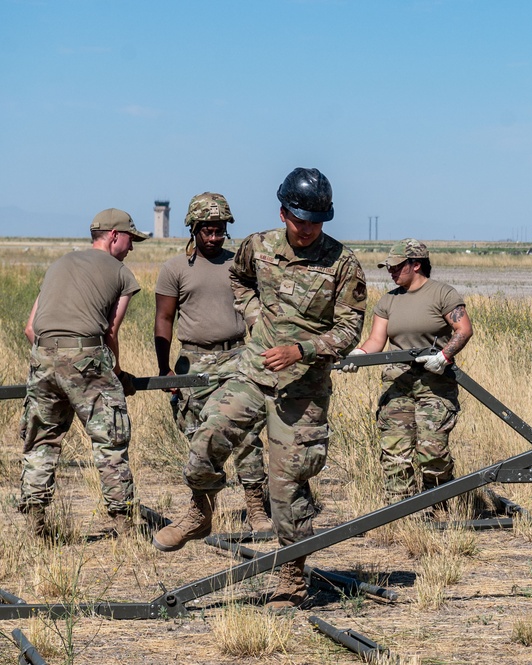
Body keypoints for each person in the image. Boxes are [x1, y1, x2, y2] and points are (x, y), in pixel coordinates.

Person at [152, 167, 367, 612]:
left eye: (317, 221)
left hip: (302, 391)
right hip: (252, 374)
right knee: (206, 437)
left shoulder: (342, 264)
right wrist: (254, 317)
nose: (308, 229)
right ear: (283, 212)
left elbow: (350, 328)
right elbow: (240, 280)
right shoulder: (257, 246)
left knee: (287, 486)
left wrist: (302, 349)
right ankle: (200, 511)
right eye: (301, 219)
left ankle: (290, 579)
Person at [19, 208, 148, 538]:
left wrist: (55, 359)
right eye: (130, 240)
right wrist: (116, 372)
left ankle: (35, 524)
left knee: (41, 441)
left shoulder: (59, 264)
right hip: (86, 356)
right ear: (114, 236)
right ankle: (124, 526)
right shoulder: (121, 273)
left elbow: (30, 328)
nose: (132, 248)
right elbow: (111, 332)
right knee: (110, 440)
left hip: (42, 356)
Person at [153, 192, 271, 534]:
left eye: (220, 230)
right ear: (193, 229)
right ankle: (202, 510)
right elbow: (164, 319)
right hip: (195, 363)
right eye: (207, 230)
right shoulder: (175, 269)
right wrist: (165, 371)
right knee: (199, 437)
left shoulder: (240, 265)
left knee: (246, 433)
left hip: (238, 357)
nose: (214, 237)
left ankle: (256, 508)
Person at [342, 239, 473, 504]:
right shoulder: (388, 300)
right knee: (394, 450)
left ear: (416, 265)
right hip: (398, 384)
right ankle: (399, 508)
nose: (390, 271)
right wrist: (360, 354)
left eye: (396, 266)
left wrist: (444, 356)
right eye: (389, 267)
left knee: (432, 450)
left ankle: (438, 502)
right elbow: (376, 341)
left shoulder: (442, 294)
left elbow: (464, 330)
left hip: (434, 384)